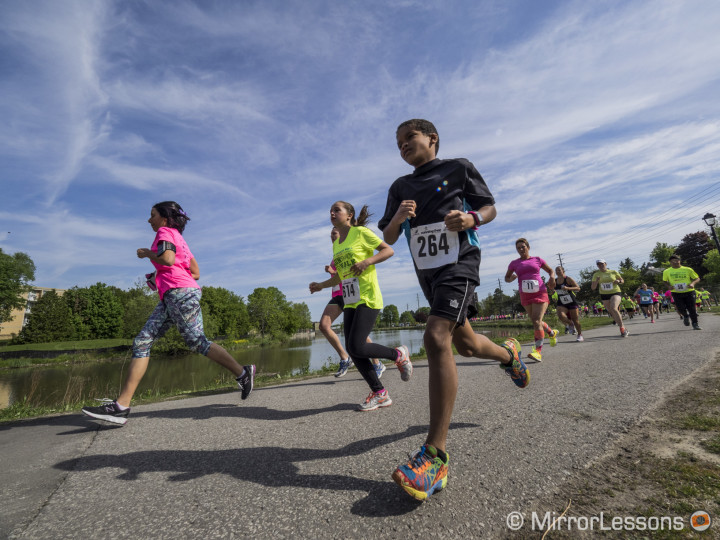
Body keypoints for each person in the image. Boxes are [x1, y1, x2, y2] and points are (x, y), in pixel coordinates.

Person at [379, 119, 528, 501]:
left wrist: (471, 219)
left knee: (434, 335)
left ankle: (435, 456)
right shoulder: (400, 187)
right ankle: (509, 354)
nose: (402, 147)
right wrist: (397, 218)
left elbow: (489, 208)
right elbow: (389, 236)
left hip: (460, 262)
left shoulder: (458, 167)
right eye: (398, 144)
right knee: (466, 345)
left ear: (432, 139)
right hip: (427, 273)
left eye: (408, 139)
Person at [82, 201, 255, 425]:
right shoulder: (180, 239)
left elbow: (167, 259)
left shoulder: (164, 232)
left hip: (179, 294)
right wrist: (158, 277)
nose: (149, 220)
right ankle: (121, 406)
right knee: (142, 341)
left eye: (152, 215)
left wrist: (147, 253)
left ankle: (243, 373)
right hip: (175, 293)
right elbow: (195, 272)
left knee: (197, 342)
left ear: (164, 218)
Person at [309, 201, 412, 412]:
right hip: (350, 300)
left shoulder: (361, 233)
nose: (332, 213)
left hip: (367, 297)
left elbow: (388, 250)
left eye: (337, 209)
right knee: (354, 350)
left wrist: (367, 262)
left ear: (349, 215)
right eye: (330, 210)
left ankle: (398, 355)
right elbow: (341, 276)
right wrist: (321, 285)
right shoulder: (337, 244)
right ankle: (380, 393)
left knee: (357, 346)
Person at [319, 228, 385, 379]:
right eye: (330, 234)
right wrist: (321, 285)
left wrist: (333, 272)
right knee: (323, 326)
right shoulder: (336, 252)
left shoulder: (349, 249)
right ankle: (345, 358)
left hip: (349, 295)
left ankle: (377, 363)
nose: (332, 236)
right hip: (337, 296)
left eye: (335, 233)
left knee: (357, 336)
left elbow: (349, 273)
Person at [505, 239, 559, 361]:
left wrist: (552, 277)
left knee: (536, 321)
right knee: (536, 321)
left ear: (528, 247)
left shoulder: (537, 260)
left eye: (523, 247)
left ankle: (537, 352)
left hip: (540, 291)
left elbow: (551, 270)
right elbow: (506, 278)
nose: (521, 249)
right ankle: (551, 333)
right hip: (525, 294)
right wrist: (510, 279)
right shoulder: (514, 263)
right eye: (518, 248)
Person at [662, 254, 701, 330]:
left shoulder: (688, 269)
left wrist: (693, 283)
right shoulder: (667, 271)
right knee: (680, 308)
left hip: (689, 291)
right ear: (670, 262)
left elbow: (697, 278)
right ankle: (685, 316)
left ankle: (695, 324)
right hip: (676, 292)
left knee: (692, 308)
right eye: (673, 261)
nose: (675, 262)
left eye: (677, 260)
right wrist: (669, 286)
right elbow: (664, 281)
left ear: (679, 260)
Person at [591, 259, 628, 337]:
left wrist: (618, 281)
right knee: (611, 311)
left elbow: (622, 280)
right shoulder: (596, 274)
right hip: (604, 294)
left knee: (614, 308)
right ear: (597, 266)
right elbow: (593, 288)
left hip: (615, 292)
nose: (601, 265)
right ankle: (622, 326)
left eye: (602, 264)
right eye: (598, 264)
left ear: (606, 264)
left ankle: (622, 328)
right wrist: (597, 281)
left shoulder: (613, 272)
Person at [552, 266, 584, 342]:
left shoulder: (568, 279)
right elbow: (553, 289)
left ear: (563, 271)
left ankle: (580, 335)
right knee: (560, 315)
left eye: (559, 270)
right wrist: (553, 292)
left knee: (575, 320)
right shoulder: (555, 281)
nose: (557, 272)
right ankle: (570, 324)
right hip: (562, 302)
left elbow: (578, 288)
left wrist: (568, 288)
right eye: (556, 270)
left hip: (571, 301)